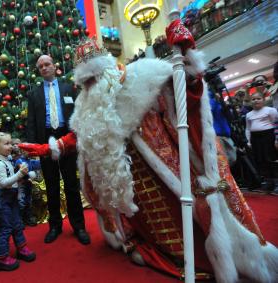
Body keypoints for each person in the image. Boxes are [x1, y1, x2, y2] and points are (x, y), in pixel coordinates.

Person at [20, 22, 278, 282]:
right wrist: (51, 147)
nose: (91, 85)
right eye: (86, 81)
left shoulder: (141, 75)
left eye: (94, 77)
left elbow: (185, 95)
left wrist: (187, 58)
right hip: (131, 188)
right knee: (149, 227)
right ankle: (156, 247)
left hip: (163, 174)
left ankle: (204, 257)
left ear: (107, 69)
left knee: (183, 223)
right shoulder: (86, 102)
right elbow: (82, 134)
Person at [26, 54, 90, 245]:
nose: (44, 68)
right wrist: (33, 147)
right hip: (46, 142)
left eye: (47, 64)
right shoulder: (33, 94)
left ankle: (79, 226)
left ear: (55, 67)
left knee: (71, 184)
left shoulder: (69, 88)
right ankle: (55, 226)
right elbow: (30, 123)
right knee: (51, 186)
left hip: (67, 139)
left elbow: (79, 113)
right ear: (39, 71)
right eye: (41, 66)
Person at [0, 132, 36, 271]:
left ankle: (21, 248)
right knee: (7, 228)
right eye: (7, 144)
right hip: (2, 199)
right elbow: (3, 183)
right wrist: (19, 174)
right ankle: (1, 258)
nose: (11, 146)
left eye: (11, 143)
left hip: (11, 197)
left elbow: (12, 181)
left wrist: (21, 177)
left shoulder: (8, 159)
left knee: (17, 224)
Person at [245, 92, 278, 191]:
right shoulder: (248, 114)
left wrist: (277, 139)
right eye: (253, 99)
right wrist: (248, 141)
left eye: (258, 98)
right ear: (251, 101)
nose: (256, 101)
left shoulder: (271, 110)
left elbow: (276, 124)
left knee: (271, 159)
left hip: (269, 136)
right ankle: (268, 182)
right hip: (255, 138)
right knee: (261, 160)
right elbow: (248, 129)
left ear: (263, 99)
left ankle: (276, 183)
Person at [11, 138, 41, 226]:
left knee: (29, 201)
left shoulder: (30, 161)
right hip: (21, 183)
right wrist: (28, 177)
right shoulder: (18, 160)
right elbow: (22, 170)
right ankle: (19, 220)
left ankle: (28, 218)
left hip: (28, 184)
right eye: (27, 151)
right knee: (21, 201)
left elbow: (39, 163)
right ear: (22, 151)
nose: (29, 152)